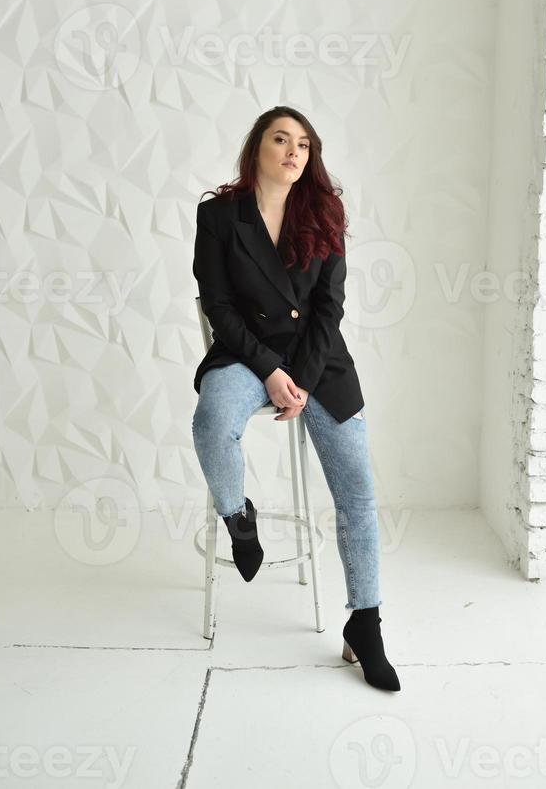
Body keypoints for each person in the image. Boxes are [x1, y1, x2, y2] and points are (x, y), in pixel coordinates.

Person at [191, 105, 400, 692]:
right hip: (243, 354)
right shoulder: (219, 216)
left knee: (357, 491)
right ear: (256, 148)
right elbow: (220, 308)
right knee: (211, 422)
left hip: (317, 362)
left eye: (304, 145)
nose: (294, 152)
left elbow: (329, 309)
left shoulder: (325, 211)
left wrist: (299, 379)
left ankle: (365, 622)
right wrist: (267, 368)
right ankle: (240, 517)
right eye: (281, 140)